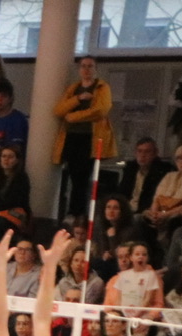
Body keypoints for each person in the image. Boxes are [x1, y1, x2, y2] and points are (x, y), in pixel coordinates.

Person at [53, 56, 116, 218]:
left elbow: (100, 110)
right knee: (73, 176)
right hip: (71, 136)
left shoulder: (102, 87)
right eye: (83, 66)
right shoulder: (74, 88)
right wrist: (78, 99)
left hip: (89, 138)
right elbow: (59, 110)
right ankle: (72, 211)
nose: (86, 69)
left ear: (96, 69)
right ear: (79, 69)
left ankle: (78, 213)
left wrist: (74, 117)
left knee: (83, 177)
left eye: (90, 66)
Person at [117, 138, 171, 215]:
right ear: (135, 153)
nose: (142, 155)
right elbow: (122, 192)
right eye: (139, 151)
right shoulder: (130, 169)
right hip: (127, 209)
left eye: (147, 151)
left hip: (147, 211)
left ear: (155, 153)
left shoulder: (162, 171)